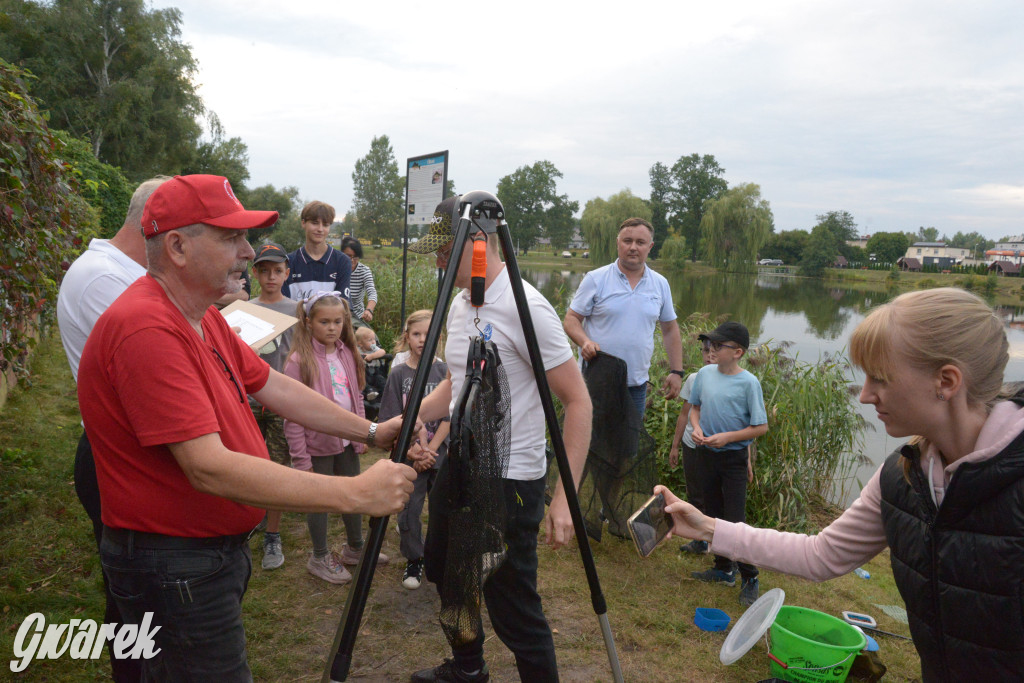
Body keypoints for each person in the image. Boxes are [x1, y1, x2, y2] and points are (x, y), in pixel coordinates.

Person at [77, 174, 422, 681]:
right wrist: (353, 492)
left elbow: (274, 388)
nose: (246, 251)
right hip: (173, 565)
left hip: (201, 560)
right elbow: (209, 468)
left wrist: (368, 432)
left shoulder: (202, 316)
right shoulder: (147, 328)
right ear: (176, 246)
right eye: (230, 237)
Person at [658, 288, 1024, 681]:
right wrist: (708, 527)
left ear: (946, 381)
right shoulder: (901, 477)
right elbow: (821, 555)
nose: (865, 395)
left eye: (880, 378)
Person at [407, 195, 592, 683]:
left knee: (512, 602)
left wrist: (564, 501)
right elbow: (460, 380)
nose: (439, 261)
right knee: (446, 570)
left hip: (511, 476)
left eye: (446, 250)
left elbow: (578, 402)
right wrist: (412, 418)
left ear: (482, 242)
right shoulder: (460, 301)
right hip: (462, 462)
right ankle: (468, 667)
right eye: (437, 252)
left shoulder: (527, 307)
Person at [56, 175, 168, 682]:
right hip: (116, 453)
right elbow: (160, 366)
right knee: (136, 592)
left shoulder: (120, 272)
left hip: (128, 446)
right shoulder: (105, 278)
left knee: (140, 590)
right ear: (157, 223)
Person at [283, 291, 392, 584]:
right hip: (316, 445)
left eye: (338, 321)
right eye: (324, 322)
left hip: (345, 439)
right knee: (318, 499)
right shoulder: (298, 361)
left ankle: (355, 547)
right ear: (308, 322)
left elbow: (355, 394)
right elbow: (292, 412)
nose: (332, 328)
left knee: (353, 491)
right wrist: (300, 457)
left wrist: (360, 433)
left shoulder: (346, 351)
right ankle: (319, 555)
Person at [563, 217, 684, 417]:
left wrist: (677, 371)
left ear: (650, 246)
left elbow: (670, 329)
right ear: (618, 243)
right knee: (587, 445)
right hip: (593, 382)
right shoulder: (596, 279)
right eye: (627, 241)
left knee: (628, 447)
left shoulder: (660, 284)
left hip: (635, 386)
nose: (633, 247)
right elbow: (571, 319)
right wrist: (584, 341)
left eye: (640, 242)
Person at [688, 320, 767, 606]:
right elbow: (695, 409)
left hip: (733, 458)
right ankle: (723, 569)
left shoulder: (749, 383)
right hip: (706, 454)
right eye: (711, 345)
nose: (712, 349)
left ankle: (750, 576)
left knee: (735, 520)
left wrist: (727, 438)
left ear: (738, 352)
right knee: (713, 513)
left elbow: (760, 427)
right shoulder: (705, 374)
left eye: (719, 345)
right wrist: (696, 428)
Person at [377, 310, 450, 591]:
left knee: (442, 509)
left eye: (429, 334)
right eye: (417, 334)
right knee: (409, 510)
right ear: (407, 338)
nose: (423, 340)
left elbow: (449, 417)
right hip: (408, 457)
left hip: (439, 455)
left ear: (439, 338)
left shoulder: (445, 372)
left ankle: (439, 557)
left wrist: (430, 448)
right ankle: (414, 558)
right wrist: (412, 451)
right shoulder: (398, 374)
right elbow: (391, 418)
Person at [248, 242, 297, 570]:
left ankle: (273, 535)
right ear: (255, 273)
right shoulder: (244, 308)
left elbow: (300, 354)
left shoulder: (296, 311)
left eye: (277, 271)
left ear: (286, 274)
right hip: (249, 401)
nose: (270, 277)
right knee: (250, 463)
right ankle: (252, 515)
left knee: (279, 466)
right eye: (264, 271)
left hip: (281, 401)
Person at [668, 338, 715, 555]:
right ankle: (700, 541)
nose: (709, 356)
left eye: (714, 351)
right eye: (705, 351)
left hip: (715, 448)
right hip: (691, 445)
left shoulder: (734, 381)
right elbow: (684, 414)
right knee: (694, 492)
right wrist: (675, 446)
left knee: (714, 494)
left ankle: (718, 540)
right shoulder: (694, 378)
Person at [281, 200, 351, 302]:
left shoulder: (342, 261)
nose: (320, 229)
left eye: (326, 225)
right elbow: (283, 307)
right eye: (315, 223)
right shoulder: (288, 262)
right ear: (303, 223)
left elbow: (343, 306)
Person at [342, 235, 378, 327]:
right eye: (348, 256)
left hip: (356, 317)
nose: (352, 260)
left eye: (356, 257)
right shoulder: (335, 269)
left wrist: (369, 310)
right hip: (337, 316)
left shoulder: (364, 270)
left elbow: (372, 292)